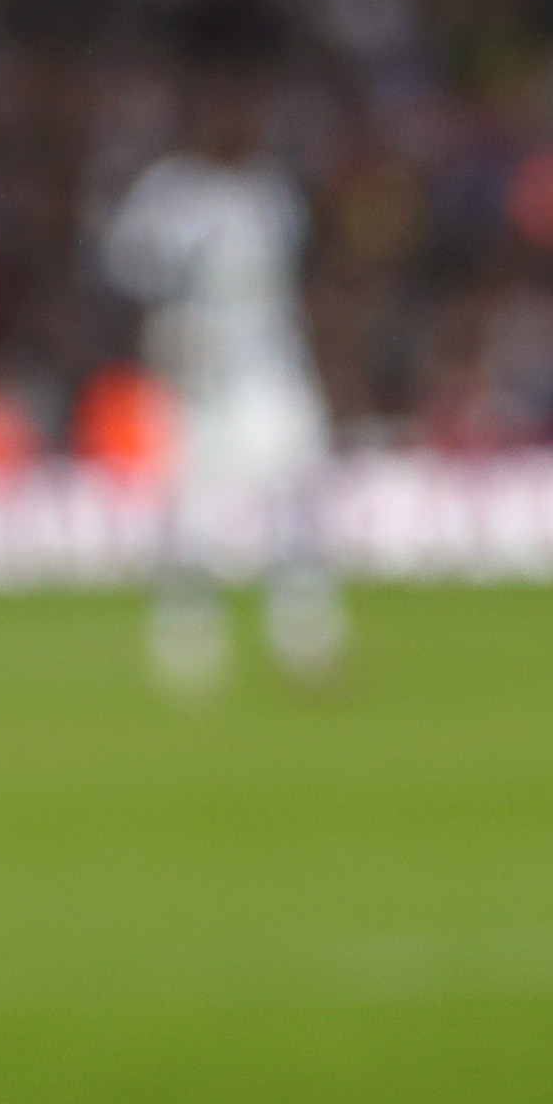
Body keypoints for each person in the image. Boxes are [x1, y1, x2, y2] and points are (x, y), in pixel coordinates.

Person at [98, 70, 346, 698]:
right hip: (194, 373)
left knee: (294, 495)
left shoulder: (272, 194)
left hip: (268, 364)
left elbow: (302, 280)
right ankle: (188, 647)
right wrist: (160, 340)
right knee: (191, 507)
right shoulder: (167, 194)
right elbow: (124, 275)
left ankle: (307, 637)